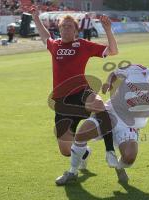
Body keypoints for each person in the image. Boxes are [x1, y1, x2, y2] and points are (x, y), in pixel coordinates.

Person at [55, 58, 149, 185]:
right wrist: (109, 82)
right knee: (81, 134)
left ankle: (119, 167)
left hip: (130, 125)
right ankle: (72, 172)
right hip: (110, 112)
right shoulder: (137, 70)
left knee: (129, 157)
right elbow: (115, 73)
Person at [30, 6, 119, 172]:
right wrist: (36, 18)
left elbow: (113, 51)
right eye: (63, 26)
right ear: (59, 29)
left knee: (99, 105)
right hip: (62, 102)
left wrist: (108, 29)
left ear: (76, 30)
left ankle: (110, 151)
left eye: (69, 26)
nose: (65, 28)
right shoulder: (54, 45)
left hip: (81, 93)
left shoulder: (83, 45)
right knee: (65, 151)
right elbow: (45, 36)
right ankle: (84, 153)